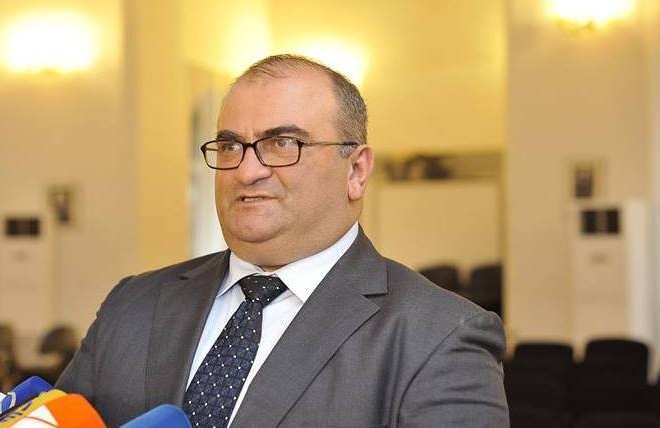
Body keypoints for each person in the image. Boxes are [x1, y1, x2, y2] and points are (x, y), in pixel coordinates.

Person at [56, 54, 508, 427]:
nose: (247, 170)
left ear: (356, 170)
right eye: (230, 146)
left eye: (283, 143)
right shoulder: (133, 305)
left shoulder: (440, 336)